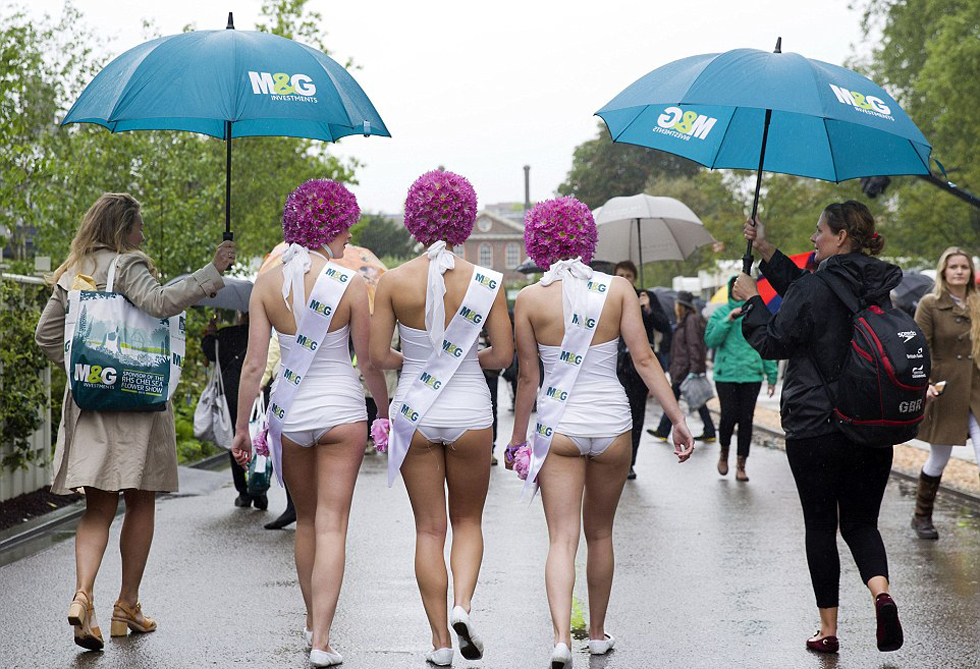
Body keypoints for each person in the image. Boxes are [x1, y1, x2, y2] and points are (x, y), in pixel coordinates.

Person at [34, 193, 235, 650]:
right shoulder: (128, 265)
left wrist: (87, 367)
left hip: (91, 401)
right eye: (138, 227)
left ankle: (82, 596)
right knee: (141, 501)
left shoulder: (73, 272)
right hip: (138, 402)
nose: (142, 235)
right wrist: (211, 271)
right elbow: (160, 303)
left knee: (97, 510)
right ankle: (126, 605)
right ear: (123, 229)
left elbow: (46, 336)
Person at [506, 197, 694, 669]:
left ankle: (560, 640)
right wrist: (677, 418)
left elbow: (527, 378)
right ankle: (595, 634)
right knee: (601, 534)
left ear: (539, 240)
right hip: (611, 424)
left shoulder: (529, 298)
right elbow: (644, 359)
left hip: (560, 428)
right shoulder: (619, 289)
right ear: (586, 239)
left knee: (561, 539)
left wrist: (517, 439)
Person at [230, 179, 389, 668]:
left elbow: (253, 366)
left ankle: (308, 623)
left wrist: (242, 428)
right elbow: (368, 362)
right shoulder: (350, 283)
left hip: (291, 414)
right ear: (329, 227)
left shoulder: (266, 284)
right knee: (333, 526)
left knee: (307, 523)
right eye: (344, 228)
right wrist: (384, 412)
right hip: (342, 410)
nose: (349, 238)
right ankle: (322, 639)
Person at [733, 200, 904, 654]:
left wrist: (751, 300)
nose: (813, 238)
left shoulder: (817, 286)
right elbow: (808, 292)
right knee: (862, 523)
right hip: (870, 423)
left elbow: (775, 339)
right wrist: (765, 249)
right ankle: (882, 595)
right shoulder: (877, 285)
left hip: (816, 426)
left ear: (840, 236)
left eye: (819, 231)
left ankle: (828, 631)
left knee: (820, 526)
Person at [369, 170, 512, 667]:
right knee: (467, 521)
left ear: (415, 219)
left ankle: (439, 644)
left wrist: (414, 361)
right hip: (470, 409)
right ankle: (462, 606)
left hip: (416, 413)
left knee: (429, 530)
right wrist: (468, 360)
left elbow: (377, 356)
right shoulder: (487, 282)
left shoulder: (392, 281)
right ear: (465, 219)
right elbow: (503, 356)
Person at [910, 247, 980, 539]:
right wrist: (924, 383)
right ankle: (921, 516)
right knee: (939, 459)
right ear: (944, 271)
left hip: (977, 389)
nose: (959, 271)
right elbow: (919, 347)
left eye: (964, 266)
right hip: (944, 388)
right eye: (954, 267)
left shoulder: (978, 302)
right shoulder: (930, 304)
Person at [703, 276, 778, 482]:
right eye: (736, 287)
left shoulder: (759, 313)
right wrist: (728, 319)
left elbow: (767, 345)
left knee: (746, 419)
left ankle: (741, 464)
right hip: (726, 375)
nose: (739, 290)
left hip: (751, 374)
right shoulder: (720, 313)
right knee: (728, 416)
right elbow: (710, 340)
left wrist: (772, 376)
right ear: (731, 289)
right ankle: (724, 452)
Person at [613, 260, 672, 480]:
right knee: (616, 415)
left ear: (635, 278)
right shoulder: (609, 297)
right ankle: (613, 461)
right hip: (617, 364)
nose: (625, 279)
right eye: (621, 275)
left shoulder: (646, 297)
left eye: (628, 276)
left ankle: (629, 462)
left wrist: (647, 308)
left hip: (639, 365)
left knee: (636, 416)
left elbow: (664, 326)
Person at [201, 312, 267, 509]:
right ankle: (260, 489)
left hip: (230, 395)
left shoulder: (225, 334)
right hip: (258, 393)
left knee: (236, 441)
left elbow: (209, 352)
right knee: (260, 439)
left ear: (241, 316)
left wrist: (210, 332)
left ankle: (243, 493)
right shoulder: (263, 335)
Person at [649, 291, 716, 441]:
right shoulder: (684, 321)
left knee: (674, 400)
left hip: (685, 369)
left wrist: (694, 369)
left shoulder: (691, 320)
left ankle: (663, 430)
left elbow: (694, 345)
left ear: (681, 306)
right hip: (682, 368)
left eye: (677, 304)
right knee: (695, 400)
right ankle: (709, 429)